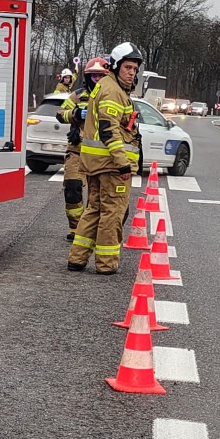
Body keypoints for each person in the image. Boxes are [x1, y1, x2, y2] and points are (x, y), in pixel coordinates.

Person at [69, 45, 141, 274]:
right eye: (127, 67)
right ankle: (106, 263)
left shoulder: (106, 86)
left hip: (97, 163)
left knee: (94, 209)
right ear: (116, 66)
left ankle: (77, 258)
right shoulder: (113, 91)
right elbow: (109, 129)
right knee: (112, 214)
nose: (131, 73)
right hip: (111, 165)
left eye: (135, 69)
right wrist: (123, 164)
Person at [54, 65, 86, 236]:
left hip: (103, 154)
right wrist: (75, 114)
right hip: (77, 151)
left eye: (100, 76)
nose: (97, 79)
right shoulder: (79, 95)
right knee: (72, 189)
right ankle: (76, 228)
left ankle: (93, 229)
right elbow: (60, 113)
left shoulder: (111, 95)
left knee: (100, 197)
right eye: (94, 76)